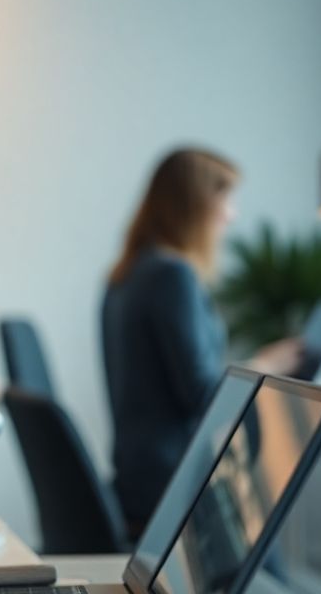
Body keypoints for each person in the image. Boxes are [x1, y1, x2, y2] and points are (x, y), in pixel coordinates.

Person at [101, 148, 301, 535]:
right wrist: (266, 365)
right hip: (176, 482)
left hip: (137, 475)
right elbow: (202, 395)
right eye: (226, 199)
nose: (232, 214)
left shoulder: (124, 276)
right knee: (265, 543)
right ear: (194, 205)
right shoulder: (172, 275)